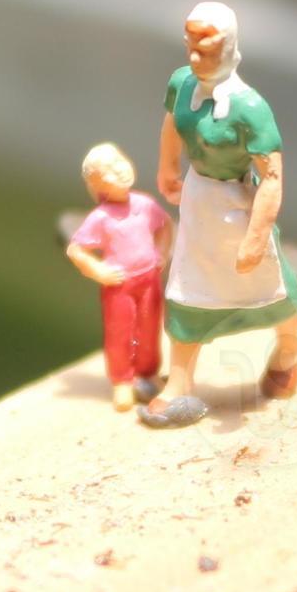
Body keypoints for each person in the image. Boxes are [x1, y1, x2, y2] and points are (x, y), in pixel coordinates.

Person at [143, 2, 297, 429]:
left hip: (238, 205)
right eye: (190, 46)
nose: (195, 58)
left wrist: (256, 236)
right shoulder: (182, 84)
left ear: (229, 45)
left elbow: (271, 176)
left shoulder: (250, 108)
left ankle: (289, 348)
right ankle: (179, 383)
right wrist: (167, 166)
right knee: (187, 285)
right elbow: (172, 124)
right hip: (199, 202)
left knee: (266, 283)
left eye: (206, 47)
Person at [65, 143, 169, 413]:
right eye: (109, 171)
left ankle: (147, 374)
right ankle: (122, 380)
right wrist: (98, 271)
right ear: (98, 185)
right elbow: (76, 250)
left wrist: (161, 253)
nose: (120, 171)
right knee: (120, 332)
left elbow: (165, 225)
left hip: (149, 278)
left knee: (149, 326)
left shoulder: (145, 205)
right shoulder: (100, 217)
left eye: (119, 162)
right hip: (119, 284)